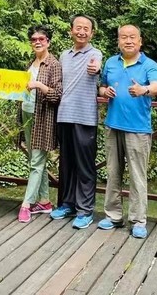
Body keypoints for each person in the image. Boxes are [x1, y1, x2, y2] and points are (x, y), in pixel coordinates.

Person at [97, 25, 157, 238]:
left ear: (140, 41)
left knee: (137, 176)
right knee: (113, 172)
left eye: (133, 37)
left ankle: (138, 220)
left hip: (138, 129)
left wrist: (144, 89)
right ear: (118, 41)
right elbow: (101, 86)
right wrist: (105, 91)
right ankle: (113, 216)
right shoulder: (111, 62)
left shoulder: (149, 65)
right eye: (124, 37)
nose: (128, 41)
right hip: (113, 125)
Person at [50, 14, 103, 229]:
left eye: (86, 29)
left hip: (85, 117)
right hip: (64, 115)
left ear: (92, 33)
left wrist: (95, 68)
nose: (81, 32)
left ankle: (85, 209)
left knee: (85, 165)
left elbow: (96, 66)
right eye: (78, 28)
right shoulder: (64, 55)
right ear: (71, 30)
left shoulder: (95, 53)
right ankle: (67, 203)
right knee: (66, 163)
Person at [18, 25, 63, 223]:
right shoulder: (30, 63)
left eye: (41, 39)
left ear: (48, 42)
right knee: (35, 159)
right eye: (34, 39)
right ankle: (44, 201)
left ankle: (26, 205)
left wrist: (38, 85)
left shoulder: (53, 64)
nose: (37, 42)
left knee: (36, 161)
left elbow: (57, 94)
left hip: (43, 116)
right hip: (26, 113)